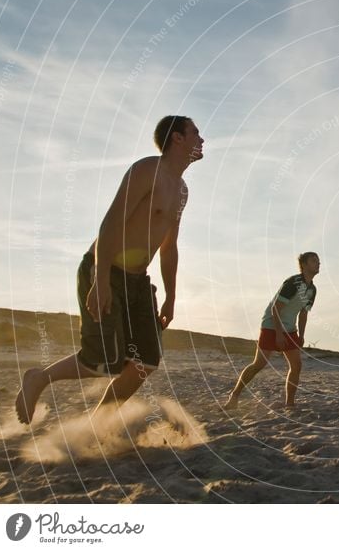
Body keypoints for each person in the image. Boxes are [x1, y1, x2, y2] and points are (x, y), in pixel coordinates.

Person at [15, 116, 204, 424]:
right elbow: (112, 221)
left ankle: (97, 425)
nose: (202, 139)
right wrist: (100, 280)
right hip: (105, 268)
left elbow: (169, 248)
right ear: (178, 138)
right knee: (103, 360)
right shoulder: (147, 170)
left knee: (147, 361)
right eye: (196, 132)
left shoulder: (181, 191)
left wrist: (171, 296)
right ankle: (40, 377)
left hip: (138, 280)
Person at [223, 252, 320, 410]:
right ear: (304, 265)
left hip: (290, 328)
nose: (318, 263)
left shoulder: (312, 290)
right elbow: (276, 309)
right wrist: (279, 333)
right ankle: (234, 397)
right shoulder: (292, 282)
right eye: (314, 261)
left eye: (318, 261)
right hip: (271, 325)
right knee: (258, 365)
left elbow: (303, 314)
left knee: (297, 366)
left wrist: (302, 335)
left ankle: (289, 404)